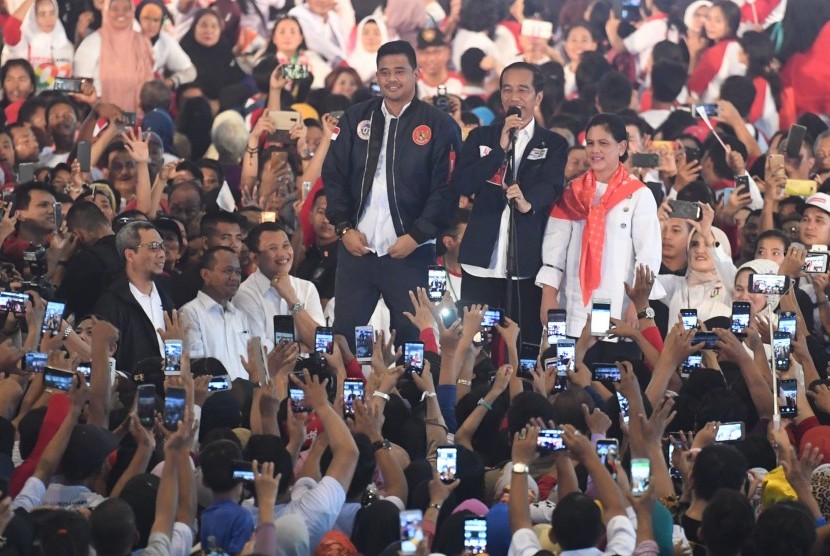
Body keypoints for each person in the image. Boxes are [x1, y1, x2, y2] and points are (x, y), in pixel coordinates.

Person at [322, 40, 461, 349]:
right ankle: (341, 396)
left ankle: (412, 397)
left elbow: (447, 189)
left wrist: (416, 235)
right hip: (358, 249)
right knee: (344, 337)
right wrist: (344, 228)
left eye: (400, 71)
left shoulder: (440, 125)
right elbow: (333, 177)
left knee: (412, 342)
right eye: (384, 72)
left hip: (411, 251)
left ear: (416, 73)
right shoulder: (355, 117)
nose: (391, 79)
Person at [455, 61, 567, 344]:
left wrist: (527, 203)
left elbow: (552, 185)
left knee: (521, 343)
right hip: (480, 261)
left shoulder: (553, 143)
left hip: (525, 262)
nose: (514, 97)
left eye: (522, 90)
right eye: (507, 90)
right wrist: (500, 149)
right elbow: (464, 184)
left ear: (537, 97)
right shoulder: (481, 137)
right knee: (475, 343)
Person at [537, 113, 663, 342]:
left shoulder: (639, 195)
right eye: (591, 143)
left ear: (622, 147)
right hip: (573, 302)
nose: (595, 150)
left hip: (619, 303)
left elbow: (648, 255)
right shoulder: (572, 192)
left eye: (603, 143)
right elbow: (555, 248)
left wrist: (638, 305)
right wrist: (548, 293)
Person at [93, 221, 175, 373]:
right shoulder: (111, 303)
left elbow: (175, 368)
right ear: (130, 254)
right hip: (130, 393)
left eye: (162, 246)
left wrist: (175, 350)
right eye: (153, 247)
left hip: (168, 388)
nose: (162, 254)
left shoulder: (167, 295)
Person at [234, 222, 324, 349]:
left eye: (286, 246)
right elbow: (260, 351)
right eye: (273, 248)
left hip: (310, 369)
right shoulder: (245, 294)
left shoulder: (306, 287)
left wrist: (292, 300)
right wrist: (302, 347)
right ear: (255, 257)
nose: (282, 254)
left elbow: (323, 345)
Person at [180, 247, 251, 381]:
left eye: (238, 272)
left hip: (245, 395)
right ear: (206, 275)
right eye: (228, 271)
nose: (235, 278)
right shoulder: (190, 313)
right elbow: (196, 368)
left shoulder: (240, 316)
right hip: (210, 397)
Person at [73, 0, 154, 113]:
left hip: (139, 120)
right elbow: (78, 87)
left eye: (126, 9)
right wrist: (92, 99)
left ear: (132, 11)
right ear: (105, 11)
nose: (120, 13)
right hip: (99, 117)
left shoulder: (143, 43)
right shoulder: (91, 44)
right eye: (115, 9)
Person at [53, 201, 120, 320]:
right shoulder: (131, 251)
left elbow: (54, 315)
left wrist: (63, 260)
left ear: (77, 235)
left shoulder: (86, 260)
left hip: (95, 334)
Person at [1, 0, 74, 90]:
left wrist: (80, 86)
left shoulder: (66, 46)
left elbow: (57, 84)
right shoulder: (22, 43)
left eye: (52, 13)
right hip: (27, 102)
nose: (48, 19)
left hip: (57, 101)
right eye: (42, 14)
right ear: (33, 16)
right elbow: (10, 29)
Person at [135, 0, 196, 91]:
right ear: (138, 18)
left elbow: (190, 72)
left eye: (156, 20)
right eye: (146, 18)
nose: (151, 24)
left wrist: (171, 81)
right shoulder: (126, 38)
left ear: (161, 22)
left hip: (150, 93)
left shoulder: (165, 41)